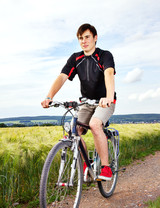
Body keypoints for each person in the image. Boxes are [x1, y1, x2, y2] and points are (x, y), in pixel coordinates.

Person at [41, 23, 116, 181]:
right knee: (72, 131)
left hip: (104, 102)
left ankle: (106, 167)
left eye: (87, 37)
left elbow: (109, 74)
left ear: (95, 38)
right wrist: (49, 96)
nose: (84, 41)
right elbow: (62, 76)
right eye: (80, 38)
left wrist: (108, 97)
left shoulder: (104, 55)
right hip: (86, 103)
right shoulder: (76, 58)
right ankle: (87, 163)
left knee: (95, 125)